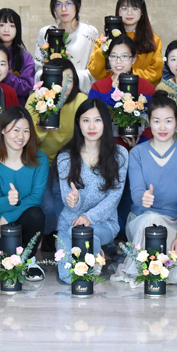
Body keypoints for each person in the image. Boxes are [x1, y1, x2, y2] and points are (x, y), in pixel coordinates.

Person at [113, 93, 177, 285]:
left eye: (168, 121)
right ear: (148, 122)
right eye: (157, 121)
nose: (162, 127)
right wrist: (143, 198)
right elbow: (136, 192)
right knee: (151, 220)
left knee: (172, 269)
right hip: (143, 219)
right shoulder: (137, 153)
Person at [53, 99, 128, 284]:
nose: (91, 126)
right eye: (86, 120)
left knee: (87, 241)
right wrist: (74, 200)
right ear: (78, 123)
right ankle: (96, 253)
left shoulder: (120, 155)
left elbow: (114, 197)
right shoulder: (65, 157)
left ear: (106, 123)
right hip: (69, 224)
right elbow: (69, 202)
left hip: (103, 223)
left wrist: (89, 217)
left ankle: (96, 251)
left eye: (97, 120)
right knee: (68, 276)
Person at [0, 106, 49, 280]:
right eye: (15, 130)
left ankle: (29, 260)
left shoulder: (39, 160)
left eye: (26, 131)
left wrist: (9, 216)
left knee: (36, 214)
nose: (21, 136)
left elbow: (35, 198)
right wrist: (8, 200)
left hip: (20, 224)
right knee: (4, 265)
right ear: (2, 130)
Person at [88, 35, 156, 148]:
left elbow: (154, 121)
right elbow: (94, 120)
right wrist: (114, 92)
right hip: (106, 148)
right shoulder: (98, 87)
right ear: (108, 59)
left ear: (133, 59)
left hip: (141, 147)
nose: (118, 61)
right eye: (114, 56)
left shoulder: (147, 88)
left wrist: (140, 144)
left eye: (124, 56)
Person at [88, 0, 163, 85]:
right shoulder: (105, 39)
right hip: (112, 89)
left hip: (142, 90)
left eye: (135, 8)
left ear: (142, 12)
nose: (129, 13)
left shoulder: (153, 40)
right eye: (124, 8)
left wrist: (126, 76)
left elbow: (156, 72)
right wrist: (104, 48)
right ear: (118, 10)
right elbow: (95, 71)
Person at [34, 0, 100, 93]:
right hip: (51, 93)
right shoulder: (45, 32)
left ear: (77, 5)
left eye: (68, 3)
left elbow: (94, 70)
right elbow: (39, 68)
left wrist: (70, 79)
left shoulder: (89, 32)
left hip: (80, 93)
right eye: (58, 4)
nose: (63, 9)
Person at [29, 57, 87, 161]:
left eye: (69, 80)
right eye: (58, 78)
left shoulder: (81, 100)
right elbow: (26, 139)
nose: (63, 85)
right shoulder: (36, 99)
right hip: (39, 160)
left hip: (70, 160)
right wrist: (41, 129)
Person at [0, 8, 35, 105]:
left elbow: (26, 87)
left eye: (12, 26)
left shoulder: (25, 57)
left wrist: (3, 72)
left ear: (17, 29)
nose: (6, 30)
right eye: (2, 25)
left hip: (15, 108)